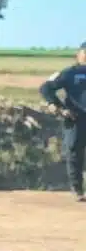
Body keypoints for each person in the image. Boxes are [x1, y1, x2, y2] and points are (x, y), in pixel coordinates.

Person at [38, 42, 86, 201]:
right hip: (76, 118)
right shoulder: (69, 73)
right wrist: (56, 105)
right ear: (78, 54)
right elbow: (46, 88)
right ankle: (78, 190)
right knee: (74, 153)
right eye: (85, 52)